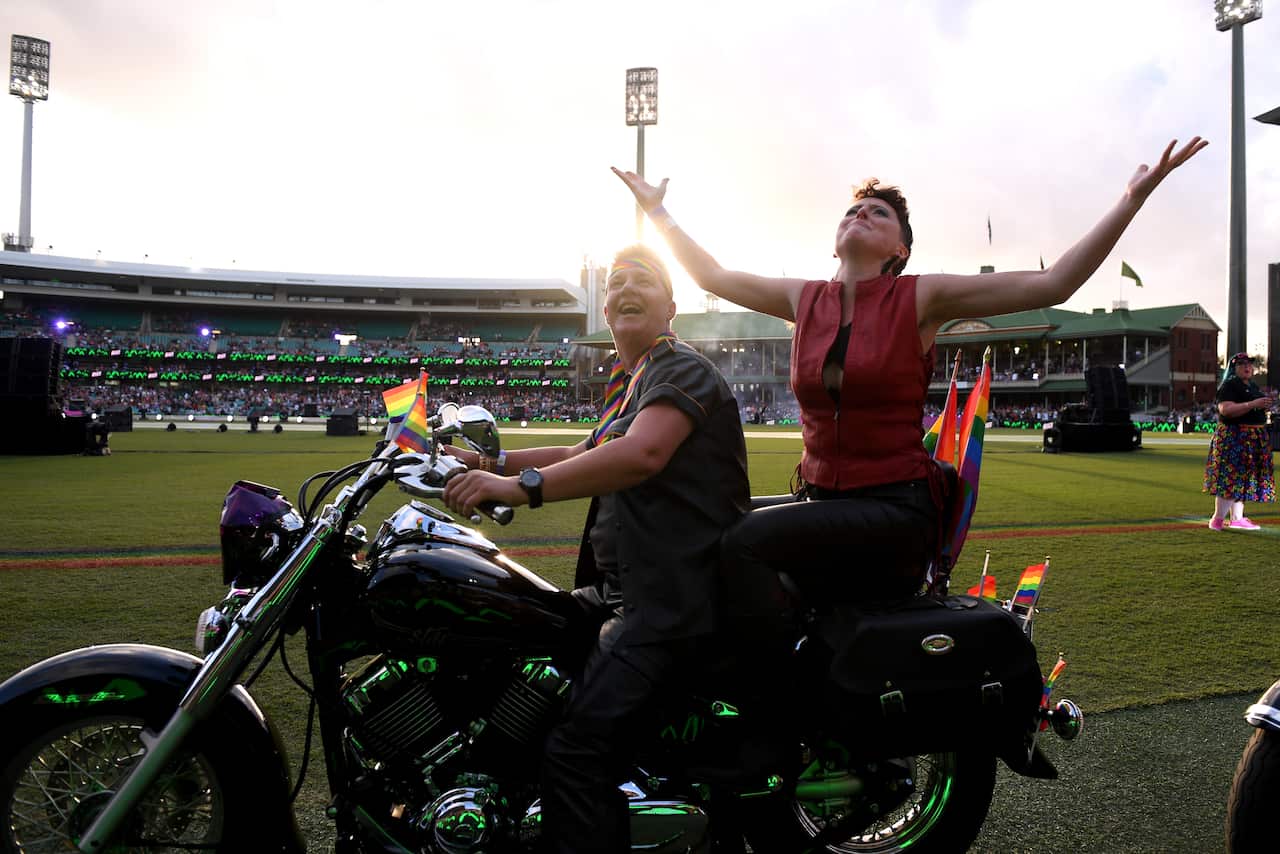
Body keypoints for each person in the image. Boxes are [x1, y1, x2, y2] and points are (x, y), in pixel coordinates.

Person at [612, 136, 1207, 624]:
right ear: (836, 238)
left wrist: (1131, 199)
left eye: (878, 213)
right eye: (852, 210)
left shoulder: (920, 297)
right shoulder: (804, 298)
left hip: (894, 511)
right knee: (715, 522)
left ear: (899, 248)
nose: (860, 215)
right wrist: (658, 212)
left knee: (742, 542)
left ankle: (777, 682)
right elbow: (712, 274)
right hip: (820, 499)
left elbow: (1052, 287)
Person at [441, 244, 750, 853]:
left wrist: (516, 488)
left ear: (672, 307)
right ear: (604, 310)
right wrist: (486, 462)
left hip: (665, 602)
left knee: (576, 752)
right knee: (504, 642)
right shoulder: (635, 381)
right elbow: (577, 456)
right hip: (618, 592)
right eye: (616, 284)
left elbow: (642, 454)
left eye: (645, 280)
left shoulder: (679, 367)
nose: (627, 289)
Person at [1204, 352, 1275, 530]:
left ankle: (1237, 518)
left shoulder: (1251, 386)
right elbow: (1225, 410)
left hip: (1251, 437)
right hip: (1235, 437)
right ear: (1233, 368)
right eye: (1242, 364)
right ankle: (1218, 519)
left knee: (1243, 479)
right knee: (1231, 478)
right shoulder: (1230, 385)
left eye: (1249, 364)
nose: (1247, 367)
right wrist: (1253, 404)